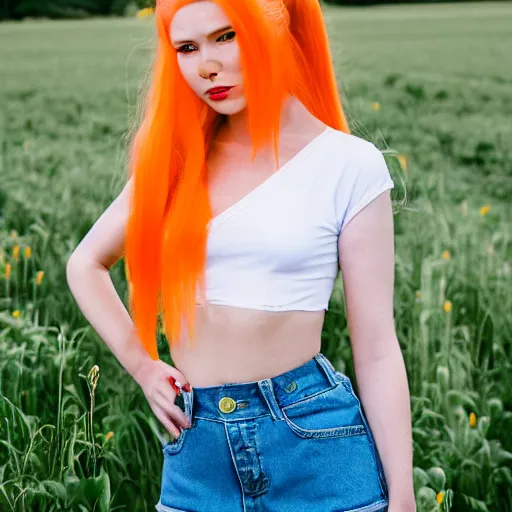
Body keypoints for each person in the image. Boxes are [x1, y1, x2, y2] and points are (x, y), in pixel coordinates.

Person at [66, 0, 416, 511]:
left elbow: (378, 348)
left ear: (276, 29)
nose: (206, 65)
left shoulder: (349, 165)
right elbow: (86, 264)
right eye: (187, 48)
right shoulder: (178, 161)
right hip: (198, 456)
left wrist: (403, 494)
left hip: (314, 445)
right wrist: (142, 367)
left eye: (225, 37)